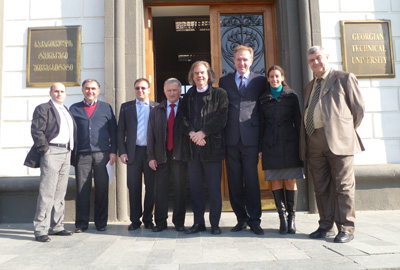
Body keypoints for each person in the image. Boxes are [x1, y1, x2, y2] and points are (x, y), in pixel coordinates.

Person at [300, 46, 365, 243]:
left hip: (339, 140)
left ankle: (346, 227)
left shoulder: (344, 78)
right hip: (314, 140)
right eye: (311, 60)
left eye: (318, 58)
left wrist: (343, 130)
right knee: (321, 186)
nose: (315, 63)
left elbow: (358, 110)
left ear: (326, 57)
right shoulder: (310, 86)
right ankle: (325, 224)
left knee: (343, 186)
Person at [219, 45, 267, 235]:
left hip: (251, 137)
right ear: (233, 60)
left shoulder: (260, 81)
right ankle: (241, 218)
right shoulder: (225, 81)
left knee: (252, 180)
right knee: (234, 181)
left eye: (245, 59)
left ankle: (255, 220)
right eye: (238, 59)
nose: (241, 63)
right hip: (230, 138)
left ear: (251, 61)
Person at [178, 61, 229, 235]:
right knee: (196, 188)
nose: (199, 76)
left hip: (212, 148)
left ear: (208, 75)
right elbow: (182, 118)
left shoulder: (220, 94)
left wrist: (203, 133)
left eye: (202, 73)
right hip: (193, 149)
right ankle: (198, 222)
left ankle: (215, 224)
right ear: (192, 77)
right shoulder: (188, 96)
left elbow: (221, 118)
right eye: (196, 73)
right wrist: (192, 133)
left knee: (214, 188)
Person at [24, 83, 76, 242]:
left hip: (66, 152)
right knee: (47, 192)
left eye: (62, 91)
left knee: (60, 192)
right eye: (56, 91)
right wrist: (45, 150)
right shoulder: (43, 108)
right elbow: (37, 131)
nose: (59, 94)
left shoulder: (65, 109)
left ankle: (57, 226)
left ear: (65, 94)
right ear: (51, 93)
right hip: (52, 152)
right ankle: (40, 229)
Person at [258, 65, 303, 235]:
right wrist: (260, 147)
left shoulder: (291, 96)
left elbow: (298, 121)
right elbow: (261, 125)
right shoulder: (263, 98)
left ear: (282, 77)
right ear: (268, 79)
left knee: (290, 180)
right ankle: (282, 219)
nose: (274, 79)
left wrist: (301, 144)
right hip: (271, 142)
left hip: (290, 142)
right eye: (271, 76)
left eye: (277, 76)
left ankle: (292, 219)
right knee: (276, 180)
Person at [69, 79, 117, 232]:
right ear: (82, 90)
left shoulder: (106, 108)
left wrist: (113, 151)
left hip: (102, 155)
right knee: (82, 189)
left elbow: (114, 132)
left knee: (102, 188)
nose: (90, 91)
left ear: (99, 90)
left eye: (93, 88)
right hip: (82, 155)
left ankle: (101, 222)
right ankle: (81, 223)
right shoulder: (74, 108)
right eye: (87, 88)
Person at [147, 78, 188, 232]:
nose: (172, 93)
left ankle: (179, 222)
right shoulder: (156, 110)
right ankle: (160, 222)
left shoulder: (186, 108)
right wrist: (151, 156)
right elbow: (150, 135)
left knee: (179, 189)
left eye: (175, 90)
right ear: (164, 91)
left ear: (180, 91)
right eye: (169, 90)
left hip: (180, 155)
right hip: (161, 156)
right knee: (161, 190)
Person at [117, 78, 158, 230]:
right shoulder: (126, 107)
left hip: (150, 153)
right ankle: (135, 220)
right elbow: (120, 131)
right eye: (137, 88)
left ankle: (148, 218)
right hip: (133, 153)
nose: (140, 91)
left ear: (149, 89)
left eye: (143, 88)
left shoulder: (157, 107)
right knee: (133, 187)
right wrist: (122, 152)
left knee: (151, 187)